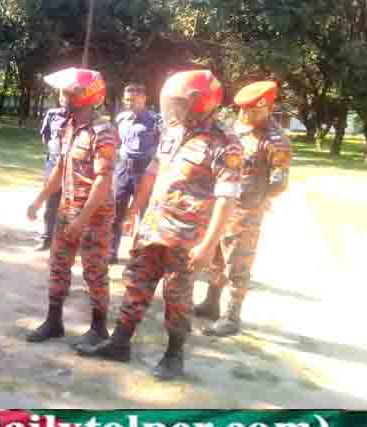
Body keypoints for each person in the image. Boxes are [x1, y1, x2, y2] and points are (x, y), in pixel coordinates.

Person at [76, 70, 243, 381]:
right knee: (136, 283)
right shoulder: (172, 131)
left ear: (200, 102)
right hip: (153, 227)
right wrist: (134, 210)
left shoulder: (226, 143)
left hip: (186, 237)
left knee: (177, 296)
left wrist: (208, 245)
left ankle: (173, 355)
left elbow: (226, 199)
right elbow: (153, 172)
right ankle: (120, 343)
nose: (173, 109)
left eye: (179, 103)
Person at [25, 68, 118, 347]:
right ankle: (54, 322)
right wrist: (40, 199)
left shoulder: (103, 133)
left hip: (94, 216)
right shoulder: (68, 127)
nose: (62, 98)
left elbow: (103, 181)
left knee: (95, 271)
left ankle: (99, 329)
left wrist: (83, 219)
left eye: (67, 93)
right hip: (67, 211)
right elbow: (60, 168)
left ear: (84, 97)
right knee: (58, 266)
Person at [195, 81, 291, 337]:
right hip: (223, 205)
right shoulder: (237, 128)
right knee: (216, 256)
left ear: (267, 108)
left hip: (246, 212)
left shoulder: (275, 141)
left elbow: (280, 182)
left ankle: (231, 316)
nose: (245, 115)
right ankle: (211, 302)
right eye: (243, 109)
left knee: (238, 262)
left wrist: (257, 202)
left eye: (252, 110)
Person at [109, 82, 161, 263]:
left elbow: (162, 147)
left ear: (144, 98)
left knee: (144, 214)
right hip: (123, 169)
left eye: (133, 99)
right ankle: (111, 252)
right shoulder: (121, 119)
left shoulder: (156, 121)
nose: (129, 103)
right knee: (116, 210)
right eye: (126, 99)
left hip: (144, 170)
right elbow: (116, 141)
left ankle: (139, 255)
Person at [35, 95, 68, 251]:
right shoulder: (52, 114)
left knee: (70, 205)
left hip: (72, 166)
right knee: (50, 203)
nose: (64, 98)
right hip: (53, 163)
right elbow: (46, 135)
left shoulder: (79, 116)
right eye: (62, 95)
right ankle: (47, 238)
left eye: (68, 95)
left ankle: (65, 241)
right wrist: (54, 146)